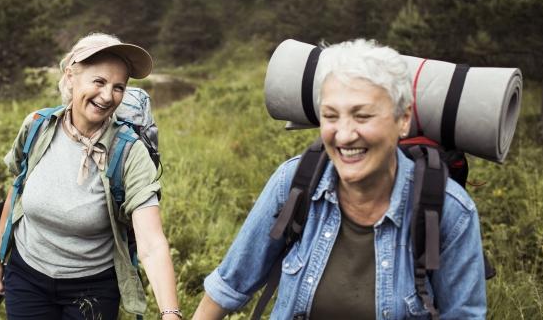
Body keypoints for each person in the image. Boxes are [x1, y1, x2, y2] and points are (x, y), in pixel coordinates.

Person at [193, 39, 486, 319]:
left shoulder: (449, 211)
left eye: (362, 116)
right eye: (331, 116)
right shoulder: (293, 182)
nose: (344, 135)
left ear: (403, 119)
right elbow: (229, 285)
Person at [0, 33, 181, 320]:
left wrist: (171, 313)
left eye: (118, 87)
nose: (108, 96)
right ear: (71, 76)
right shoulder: (37, 127)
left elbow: (151, 243)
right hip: (26, 279)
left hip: (92, 290)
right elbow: (16, 192)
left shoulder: (128, 152)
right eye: (99, 82)